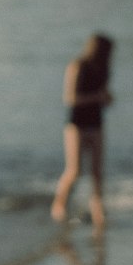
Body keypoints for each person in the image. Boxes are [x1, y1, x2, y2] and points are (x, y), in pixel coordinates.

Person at [51, 33, 114, 229]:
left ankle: (98, 211)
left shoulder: (103, 69)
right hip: (76, 124)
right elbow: (70, 98)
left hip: (96, 123)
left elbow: (104, 97)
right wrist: (97, 97)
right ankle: (58, 205)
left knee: (97, 172)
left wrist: (106, 99)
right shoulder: (77, 66)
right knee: (74, 170)